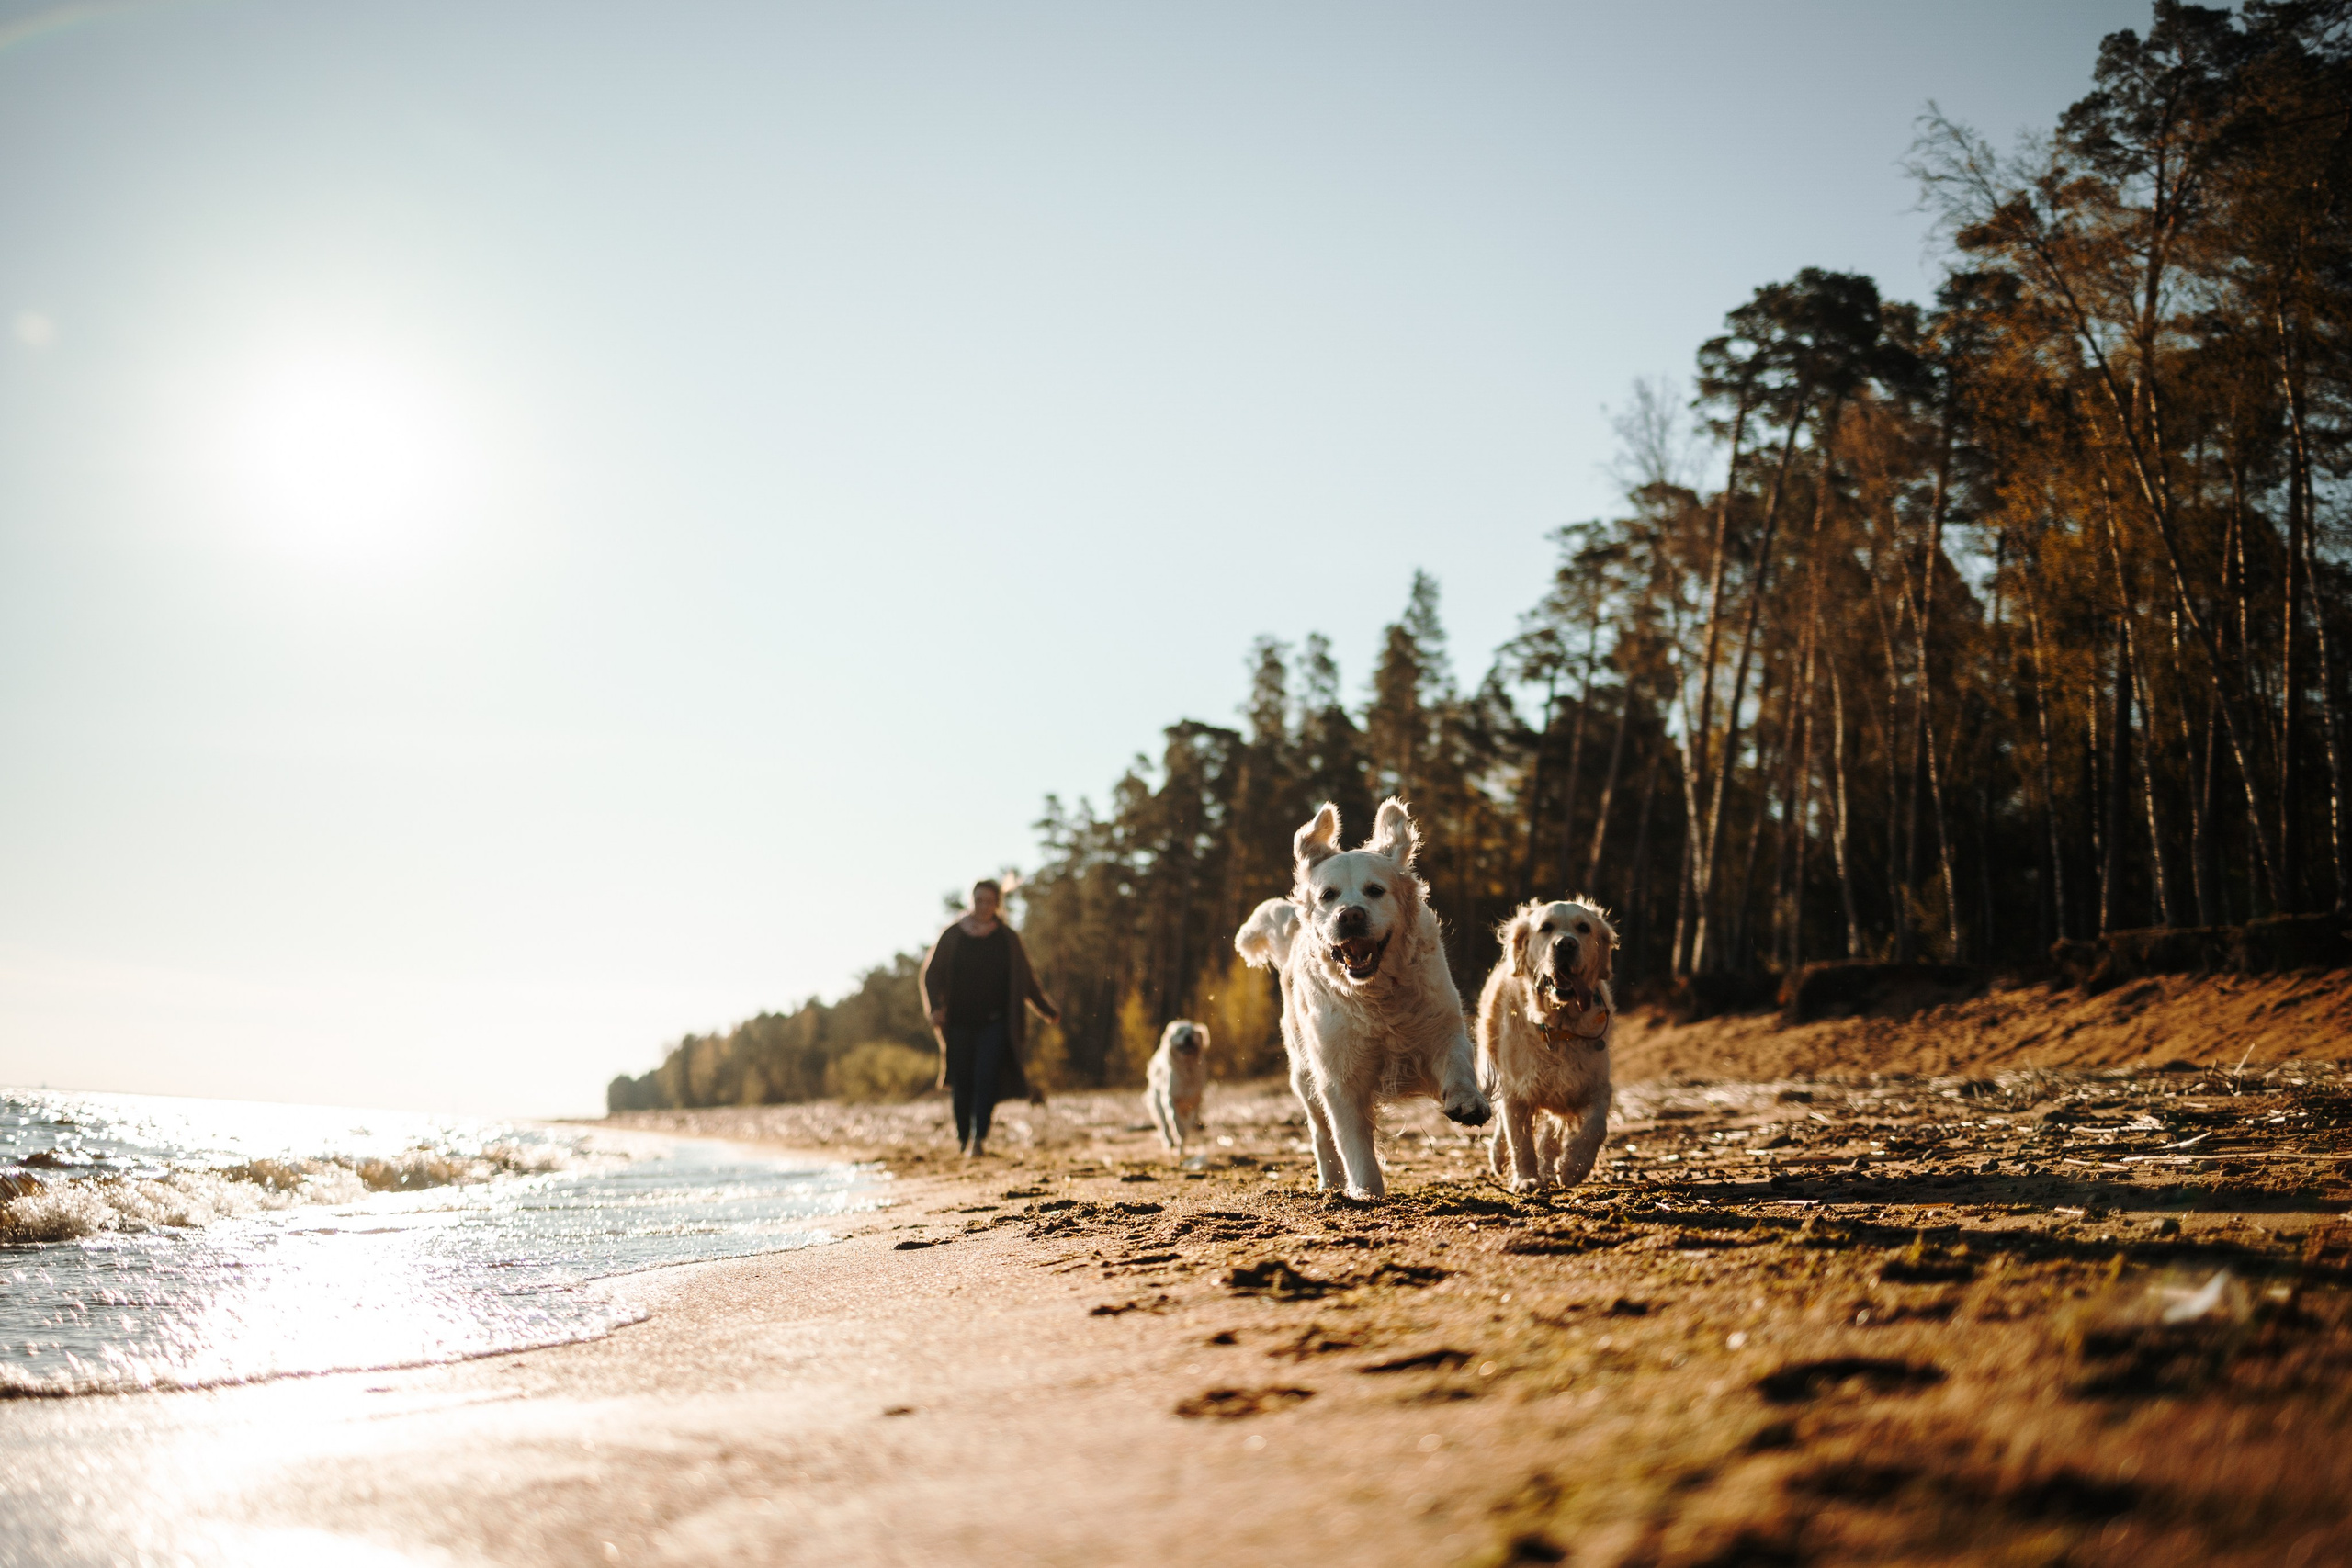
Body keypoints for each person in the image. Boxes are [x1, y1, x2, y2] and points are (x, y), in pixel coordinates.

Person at [919, 879, 1059, 1157]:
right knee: (962, 1082)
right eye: (978, 900)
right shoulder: (952, 935)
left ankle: (978, 1139)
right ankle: (963, 1139)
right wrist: (935, 1007)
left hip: (996, 1023)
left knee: (986, 1078)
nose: (983, 906)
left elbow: (1027, 980)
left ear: (997, 904)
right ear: (971, 901)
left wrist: (1047, 1010)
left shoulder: (1007, 938)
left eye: (989, 901)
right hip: (958, 1023)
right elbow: (930, 974)